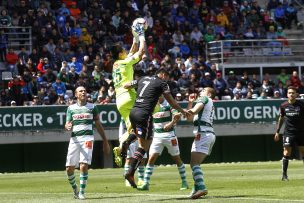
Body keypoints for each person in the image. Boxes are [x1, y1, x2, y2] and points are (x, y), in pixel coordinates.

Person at [123, 68, 191, 188]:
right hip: (145, 114)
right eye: (168, 78)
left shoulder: (142, 79)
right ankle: (130, 172)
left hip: (133, 112)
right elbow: (173, 103)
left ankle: (128, 141)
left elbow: (126, 85)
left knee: (141, 140)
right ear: (164, 75)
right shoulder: (162, 83)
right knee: (144, 146)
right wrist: (183, 111)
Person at [112, 18, 147, 167]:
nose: (126, 51)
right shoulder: (126, 62)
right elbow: (141, 51)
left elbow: (132, 49)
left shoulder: (116, 64)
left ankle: (120, 147)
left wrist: (134, 36)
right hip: (128, 95)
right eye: (123, 51)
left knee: (131, 129)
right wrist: (142, 36)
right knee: (145, 117)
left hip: (119, 100)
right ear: (120, 54)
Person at [64, 86, 110, 200]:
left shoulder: (93, 107)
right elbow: (67, 123)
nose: (83, 92)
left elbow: (98, 125)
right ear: (76, 94)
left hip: (87, 138)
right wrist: (67, 126)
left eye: (85, 90)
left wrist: (105, 141)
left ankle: (82, 192)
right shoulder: (71, 108)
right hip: (74, 140)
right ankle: (75, 189)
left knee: (83, 165)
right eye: (81, 91)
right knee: (69, 168)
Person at [137, 96, 189, 191]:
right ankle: (146, 183)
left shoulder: (169, 104)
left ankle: (184, 181)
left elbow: (177, 115)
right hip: (157, 136)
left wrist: (171, 123)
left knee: (177, 159)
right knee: (151, 158)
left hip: (170, 135)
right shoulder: (151, 104)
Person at [186, 87, 216, 199]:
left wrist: (179, 110)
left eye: (203, 90)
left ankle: (202, 188)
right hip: (207, 134)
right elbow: (189, 118)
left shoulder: (204, 99)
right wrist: (190, 103)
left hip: (203, 133)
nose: (201, 92)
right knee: (195, 164)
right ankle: (196, 189)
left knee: (194, 164)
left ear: (209, 94)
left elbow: (192, 112)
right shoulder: (206, 103)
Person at [274, 86, 304, 181]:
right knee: (287, 152)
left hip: (301, 132)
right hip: (289, 132)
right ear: (287, 94)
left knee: (303, 152)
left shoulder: (301, 105)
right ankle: (284, 175)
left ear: (296, 94)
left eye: (293, 93)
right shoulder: (283, 106)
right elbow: (281, 118)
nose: (291, 94)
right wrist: (277, 132)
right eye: (289, 93)